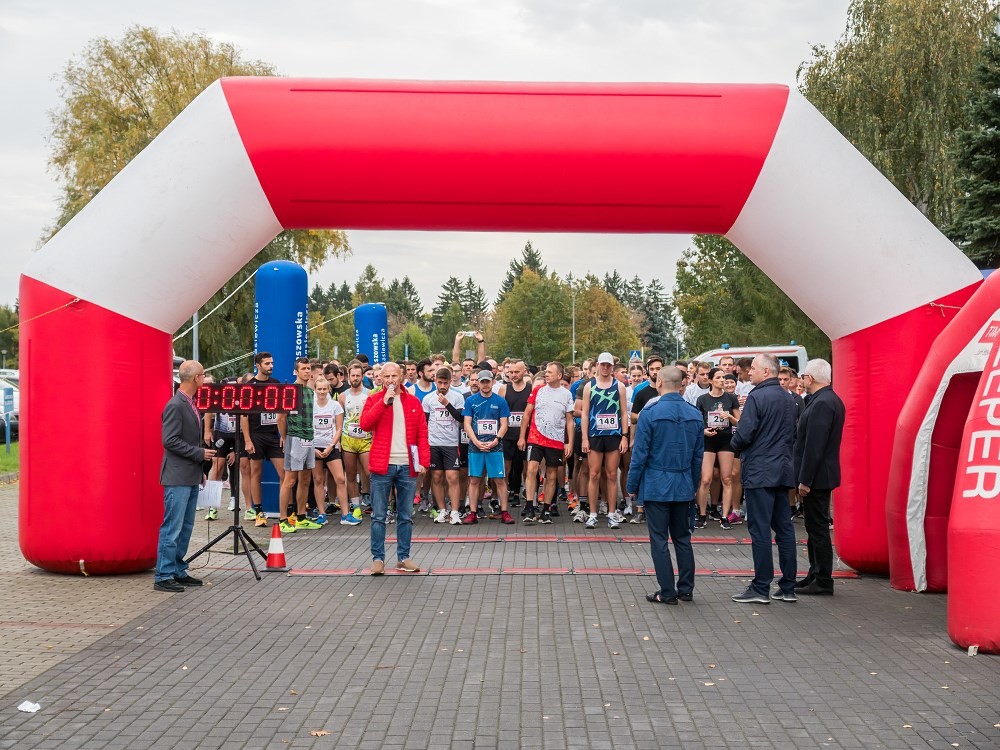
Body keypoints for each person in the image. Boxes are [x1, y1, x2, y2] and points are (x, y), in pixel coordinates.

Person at [627, 366, 702, 604]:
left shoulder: (650, 413)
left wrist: (632, 485)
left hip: (657, 483)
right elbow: (697, 456)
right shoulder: (694, 413)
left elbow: (640, 454)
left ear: (659, 382)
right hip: (683, 483)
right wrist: (693, 483)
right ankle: (686, 588)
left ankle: (667, 591)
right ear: (681, 385)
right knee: (682, 538)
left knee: (659, 539)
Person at [730, 354, 798, 604]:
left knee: (760, 530)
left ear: (766, 371)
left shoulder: (757, 397)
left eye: (754, 368)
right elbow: (793, 433)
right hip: (782, 470)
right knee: (784, 528)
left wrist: (734, 443)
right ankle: (788, 586)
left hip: (760, 471)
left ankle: (760, 587)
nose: (749, 372)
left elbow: (744, 433)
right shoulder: (788, 398)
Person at [359, 362, 429, 574]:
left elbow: (422, 433)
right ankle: (378, 559)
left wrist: (424, 461)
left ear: (402, 377)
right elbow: (365, 424)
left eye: (394, 376)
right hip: (383, 465)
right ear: (381, 378)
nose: (390, 380)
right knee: (378, 515)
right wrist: (383, 403)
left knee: (405, 516)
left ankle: (403, 558)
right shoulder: (374, 399)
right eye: (386, 376)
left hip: (407, 465)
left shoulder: (414, 402)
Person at [154, 360, 216, 592]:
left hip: (189, 474)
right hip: (177, 476)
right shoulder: (175, 405)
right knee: (173, 527)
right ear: (196, 378)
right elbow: (169, 441)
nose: (204, 379)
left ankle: (177, 569)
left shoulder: (189, 403)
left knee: (185, 527)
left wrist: (199, 470)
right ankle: (163, 575)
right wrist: (199, 453)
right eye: (203, 375)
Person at [794, 358, 845, 595]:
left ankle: (823, 579)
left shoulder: (823, 402)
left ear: (811, 378)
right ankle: (814, 573)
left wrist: (805, 480)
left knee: (818, 528)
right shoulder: (825, 399)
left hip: (817, 476)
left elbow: (815, 445)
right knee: (813, 527)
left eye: (804, 376)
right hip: (821, 474)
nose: (802, 380)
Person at [518, 361, 575, 524]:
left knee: (551, 474)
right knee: (531, 469)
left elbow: (569, 420)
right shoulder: (538, 390)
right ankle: (530, 506)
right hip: (535, 437)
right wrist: (522, 436)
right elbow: (527, 413)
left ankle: (546, 509)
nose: (547, 374)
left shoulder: (566, 394)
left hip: (555, 439)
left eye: (550, 372)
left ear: (559, 375)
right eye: (546, 371)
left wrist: (569, 442)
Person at [581, 352, 629, 529]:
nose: (605, 368)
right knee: (594, 474)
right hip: (595, 435)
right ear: (597, 365)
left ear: (612, 367)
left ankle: (612, 513)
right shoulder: (589, 386)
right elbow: (585, 413)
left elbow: (624, 412)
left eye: (608, 365)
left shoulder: (619, 386)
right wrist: (584, 438)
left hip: (614, 435)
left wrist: (624, 436)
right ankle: (593, 514)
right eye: (603, 364)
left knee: (611, 474)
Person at [422, 366, 474, 524]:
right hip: (433, 443)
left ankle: (455, 512)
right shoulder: (428, 399)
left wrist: (447, 404)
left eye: (445, 383)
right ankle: (442, 510)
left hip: (451, 444)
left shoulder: (457, 397)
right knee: (437, 477)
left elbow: (460, 418)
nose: (443, 386)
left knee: (453, 477)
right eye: (440, 382)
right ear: (435, 381)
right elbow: (424, 421)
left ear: (451, 381)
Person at [241, 352, 285, 527]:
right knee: (256, 473)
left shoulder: (276, 384)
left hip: (273, 435)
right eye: (267, 363)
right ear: (258, 366)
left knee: (284, 473)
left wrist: (283, 435)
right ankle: (258, 511)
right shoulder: (249, 386)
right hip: (256, 435)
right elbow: (244, 416)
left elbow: (282, 413)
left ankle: (285, 513)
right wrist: (247, 440)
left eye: (272, 363)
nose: (271, 366)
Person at [277, 358, 321, 533]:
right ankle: (283, 519)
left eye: (308, 368)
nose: (307, 371)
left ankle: (301, 517)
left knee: (305, 480)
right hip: (294, 438)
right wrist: (285, 438)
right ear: (296, 371)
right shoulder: (289, 391)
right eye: (303, 369)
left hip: (309, 438)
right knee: (290, 480)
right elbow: (281, 418)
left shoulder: (310, 391)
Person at [462, 368, 511, 524]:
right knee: (475, 479)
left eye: (487, 382)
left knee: (499, 479)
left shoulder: (500, 401)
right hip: (476, 446)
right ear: (478, 382)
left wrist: (496, 440)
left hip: (495, 446)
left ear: (492, 382)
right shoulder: (471, 401)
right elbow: (467, 424)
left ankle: (504, 511)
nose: (485, 385)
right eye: (482, 382)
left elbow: (504, 424)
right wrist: (476, 441)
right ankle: (473, 512)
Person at [694, 367, 740, 530]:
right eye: (719, 378)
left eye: (724, 378)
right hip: (708, 439)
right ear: (711, 380)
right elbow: (697, 422)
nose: (722, 380)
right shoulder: (702, 399)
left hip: (726, 439)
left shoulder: (731, 398)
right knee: (705, 479)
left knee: (726, 478)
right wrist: (703, 431)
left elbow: (739, 422)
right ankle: (702, 514)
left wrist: (730, 417)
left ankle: (725, 516)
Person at [312, 376, 357, 526]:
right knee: (318, 480)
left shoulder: (335, 405)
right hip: (315, 447)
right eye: (319, 389)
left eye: (324, 389)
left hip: (331, 447)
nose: (322, 392)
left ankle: (345, 514)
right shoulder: (310, 406)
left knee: (340, 479)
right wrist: (313, 448)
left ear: (328, 389)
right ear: (315, 390)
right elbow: (307, 428)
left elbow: (339, 428)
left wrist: (331, 445)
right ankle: (321, 513)